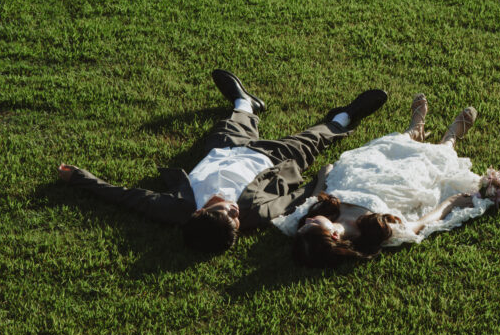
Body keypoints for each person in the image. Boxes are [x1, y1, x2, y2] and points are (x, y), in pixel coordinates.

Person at [58, 69, 388, 254]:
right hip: (274, 159)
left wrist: (80, 178)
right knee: (315, 138)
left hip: (224, 149)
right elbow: (294, 199)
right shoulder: (254, 214)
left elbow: (126, 197)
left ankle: (245, 101)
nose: (234, 211)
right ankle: (345, 116)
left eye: (225, 212)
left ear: (198, 213)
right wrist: (322, 180)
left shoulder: (175, 208)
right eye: (236, 219)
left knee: (235, 119)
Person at [275, 93, 500, 267]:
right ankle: (450, 138)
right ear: (333, 235)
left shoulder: (308, 219)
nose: (307, 221)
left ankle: (414, 130)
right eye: (312, 225)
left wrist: (323, 177)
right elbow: (420, 224)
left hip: (363, 174)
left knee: (379, 151)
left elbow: (312, 199)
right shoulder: (374, 233)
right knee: (423, 168)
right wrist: (451, 202)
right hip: (399, 188)